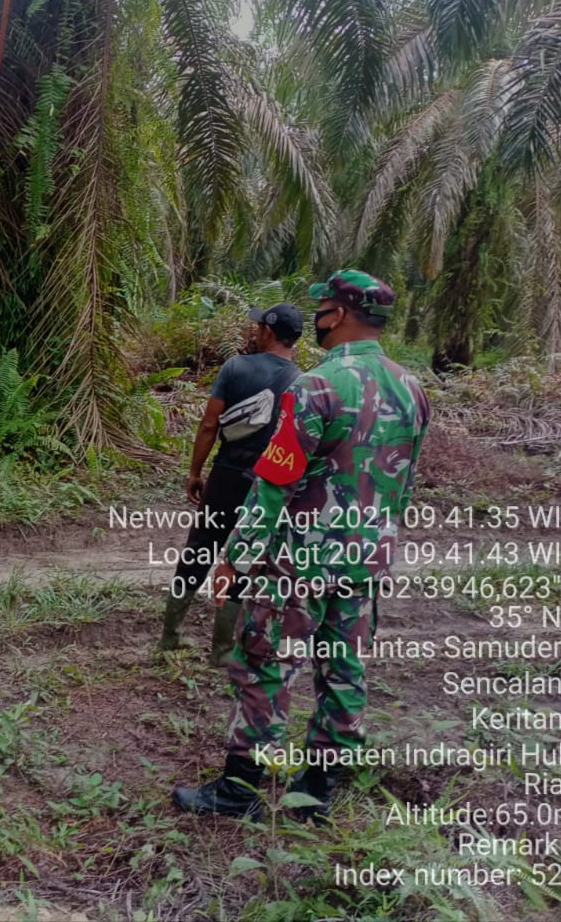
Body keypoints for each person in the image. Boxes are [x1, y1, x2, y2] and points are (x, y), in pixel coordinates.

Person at [171, 270, 429, 821]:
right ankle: (317, 793)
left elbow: (273, 485)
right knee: (344, 670)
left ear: (336, 315)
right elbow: (402, 485)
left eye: (323, 309)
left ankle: (241, 789)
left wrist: (235, 559)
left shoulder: (314, 386)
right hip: (364, 563)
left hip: (298, 565)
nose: (318, 319)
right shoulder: (412, 389)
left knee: (266, 664)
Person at [160, 303, 303, 662]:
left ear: (268, 331)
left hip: (225, 475)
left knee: (199, 549)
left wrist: (196, 472)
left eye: (259, 327)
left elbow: (210, 424)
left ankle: (170, 636)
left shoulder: (235, 367)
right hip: (264, 483)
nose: (255, 332)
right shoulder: (301, 382)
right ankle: (222, 650)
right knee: (243, 556)